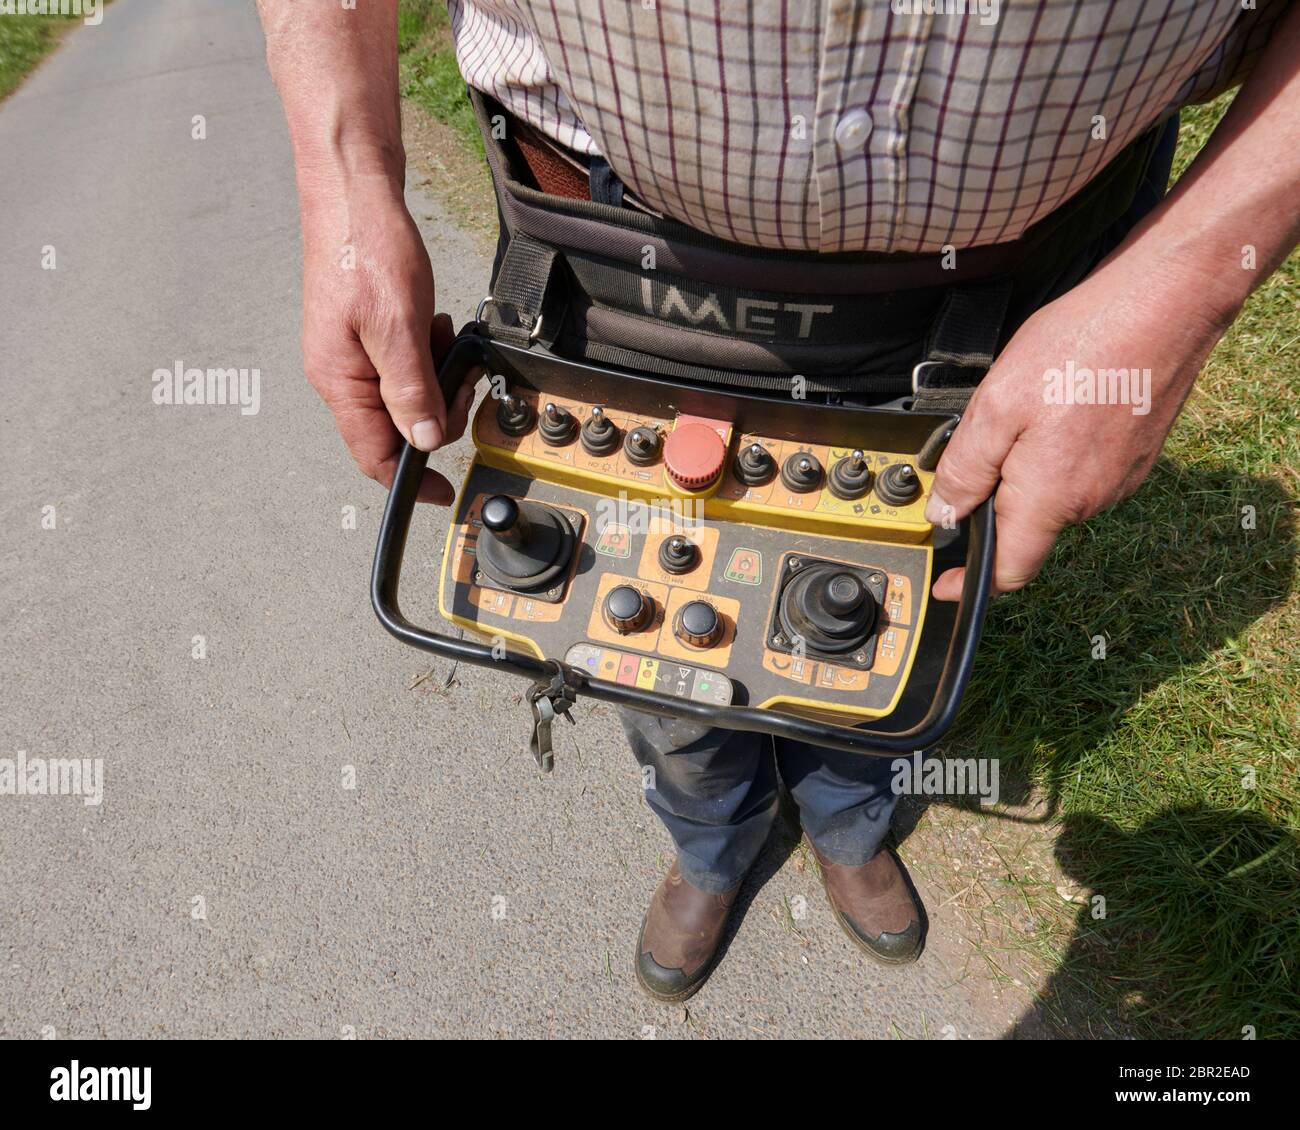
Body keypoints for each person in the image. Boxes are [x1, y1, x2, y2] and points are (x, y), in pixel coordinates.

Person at [257, 0, 1300, 1001]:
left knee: (881, 634)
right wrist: (343, 175)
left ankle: (848, 821)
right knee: (646, 643)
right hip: (609, 259)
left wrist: (1195, 269)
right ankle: (711, 841)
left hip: (1009, 298)